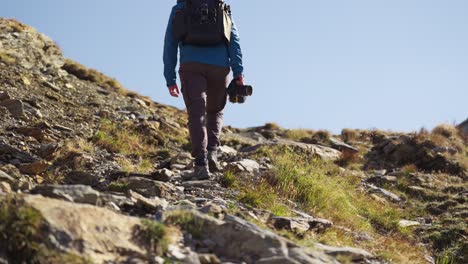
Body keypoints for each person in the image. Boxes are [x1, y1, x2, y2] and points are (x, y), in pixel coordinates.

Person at [163, 0, 244, 180]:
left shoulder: (181, 7)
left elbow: (170, 42)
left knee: (196, 112)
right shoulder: (221, 6)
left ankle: (201, 164)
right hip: (220, 67)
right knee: (215, 111)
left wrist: (170, 77)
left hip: (191, 64)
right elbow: (234, 39)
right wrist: (238, 72)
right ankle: (212, 153)